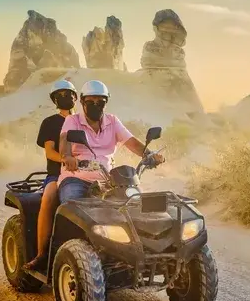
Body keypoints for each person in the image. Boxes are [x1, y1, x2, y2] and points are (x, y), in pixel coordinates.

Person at [58, 80, 165, 204]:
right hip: (76, 179)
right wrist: (67, 156)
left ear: (106, 103)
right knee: (73, 206)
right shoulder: (73, 120)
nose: (95, 105)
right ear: (82, 101)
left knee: (136, 205)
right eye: (90, 102)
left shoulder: (112, 121)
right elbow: (64, 139)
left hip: (110, 181)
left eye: (100, 102)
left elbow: (132, 142)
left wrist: (150, 155)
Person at [24, 80, 77, 271]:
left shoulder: (82, 121)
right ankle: (41, 254)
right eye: (62, 95)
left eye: (71, 94)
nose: (67, 97)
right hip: (57, 174)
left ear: (77, 98)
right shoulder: (50, 122)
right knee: (48, 198)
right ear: (55, 99)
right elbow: (49, 152)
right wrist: (66, 160)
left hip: (85, 173)